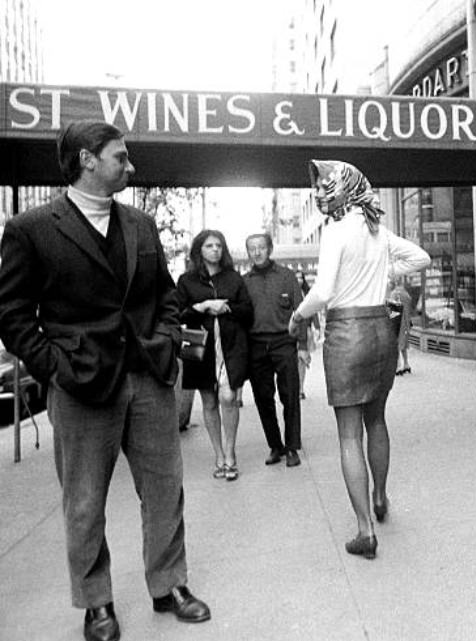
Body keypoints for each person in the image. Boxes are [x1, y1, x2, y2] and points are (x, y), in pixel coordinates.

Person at [0, 120, 210, 641]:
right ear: (87, 160)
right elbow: (12, 314)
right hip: (81, 386)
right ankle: (97, 603)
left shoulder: (140, 224)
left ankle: (169, 586)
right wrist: (55, 366)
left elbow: (165, 296)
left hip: (149, 377)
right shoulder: (31, 228)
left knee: (165, 488)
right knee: (85, 500)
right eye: (121, 157)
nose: (130, 165)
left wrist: (165, 343)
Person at [289, 159, 430, 559]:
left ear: (341, 189)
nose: (318, 194)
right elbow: (421, 258)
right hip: (380, 332)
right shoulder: (377, 231)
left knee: (349, 434)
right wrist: (385, 276)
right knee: (378, 420)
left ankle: (365, 529)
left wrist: (298, 316)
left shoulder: (335, 232)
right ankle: (381, 496)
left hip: (347, 335)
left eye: (322, 187)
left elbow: (323, 292)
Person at [177, 230, 253, 481]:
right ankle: (219, 455)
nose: (215, 250)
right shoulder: (187, 280)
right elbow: (178, 314)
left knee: (229, 397)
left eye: (219, 245)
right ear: (199, 250)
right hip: (200, 347)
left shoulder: (234, 278)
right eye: (209, 245)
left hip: (230, 346)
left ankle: (231, 454)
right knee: (209, 402)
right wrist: (203, 307)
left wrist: (226, 306)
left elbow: (247, 311)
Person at [244, 232, 307, 468]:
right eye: (252, 248)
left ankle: (292, 447)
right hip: (256, 345)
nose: (257, 252)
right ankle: (275, 446)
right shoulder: (245, 281)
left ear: (269, 249)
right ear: (248, 252)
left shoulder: (286, 276)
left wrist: (302, 346)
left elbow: (301, 312)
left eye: (261, 247)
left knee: (290, 395)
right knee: (263, 398)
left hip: (283, 342)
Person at [296, 270, 320, 399]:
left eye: (301, 278)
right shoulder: (288, 293)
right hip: (292, 331)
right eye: (296, 278)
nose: (299, 280)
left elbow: (313, 311)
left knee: (302, 361)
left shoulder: (308, 294)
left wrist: (317, 327)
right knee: (293, 361)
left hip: (306, 330)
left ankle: (300, 388)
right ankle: (294, 387)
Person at [388, 279, 413, 375]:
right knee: (404, 344)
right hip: (406, 322)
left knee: (396, 345)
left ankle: (398, 367)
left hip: (397, 323)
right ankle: (406, 364)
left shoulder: (394, 294)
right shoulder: (406, 294)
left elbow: (392, 311)